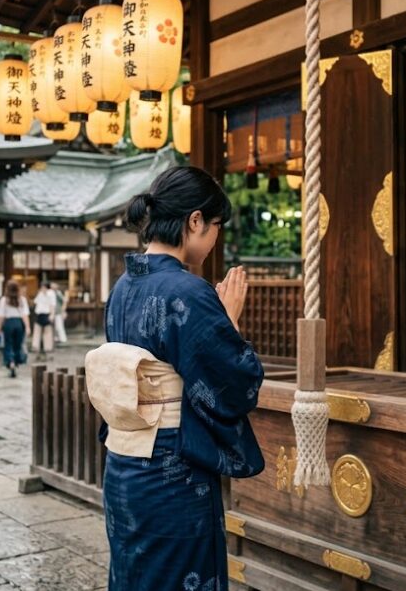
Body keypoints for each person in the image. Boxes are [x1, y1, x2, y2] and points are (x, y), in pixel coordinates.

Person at [99, 166, 264, 590]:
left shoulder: (122, 288)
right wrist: (229, 321)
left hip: (123, 467)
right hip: (171, 471)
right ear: (195, 221)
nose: (216, 238)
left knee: (135, 576)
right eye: (216, 226)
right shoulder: (188, 291)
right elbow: (235, 384)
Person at [0, 280, 30, 379]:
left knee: (8, 344)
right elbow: (25, 315)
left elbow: (1, 316)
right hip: (19, 323)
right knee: (17, 345)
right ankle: (16, 361)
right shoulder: (22, 300)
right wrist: (27, 327)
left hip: (8, 323)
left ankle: (11, 363)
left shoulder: (4, 300)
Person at [31, 281, 56, 358]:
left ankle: (48, 348)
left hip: (47, 313)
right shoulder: (40, 294)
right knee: (37, 331)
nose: (43, 289)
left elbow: (52, 305)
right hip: (39, 314)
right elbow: (35, 302)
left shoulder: (51, 294)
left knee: (47, 332)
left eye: (44, 287)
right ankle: (35, 346)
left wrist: (52, 315)